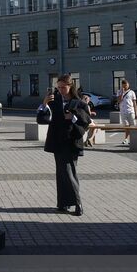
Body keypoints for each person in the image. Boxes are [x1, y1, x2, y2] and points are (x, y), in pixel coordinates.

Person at [39, 74, 90, 216]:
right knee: (61, 173)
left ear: (70, 86)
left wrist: (73, 118)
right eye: (58, 87)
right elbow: (42, 119)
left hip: (71, 142)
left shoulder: (79, 102)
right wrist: (44, 104)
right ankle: (63, 204)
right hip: (57, 142)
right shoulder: (54, 101)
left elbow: (86, 122)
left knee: (69, 172)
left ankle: (78, 203)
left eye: (63, 87)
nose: (60, 90)